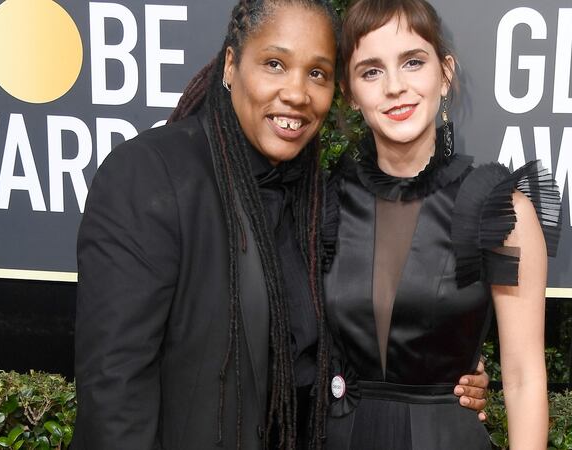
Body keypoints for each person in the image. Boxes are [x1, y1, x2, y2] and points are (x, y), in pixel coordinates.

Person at [72, 0, 488, 449]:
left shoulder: (318, 199)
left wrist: (437, 373)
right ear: (231, 65)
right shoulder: (152, 174)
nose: (296, 92)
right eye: (274, 63)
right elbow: (114, 391)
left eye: (317, 73)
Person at [322, 0, 561, 449]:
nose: (395, 86)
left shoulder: (499, 211)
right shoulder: (322, 203)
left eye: (413, 62)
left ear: (444, 73)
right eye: (371, 71)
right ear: (350, 92)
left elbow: (525, 376)